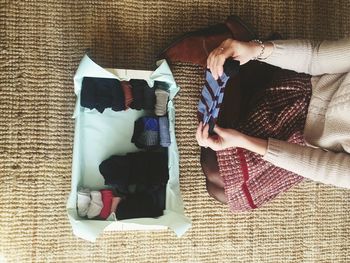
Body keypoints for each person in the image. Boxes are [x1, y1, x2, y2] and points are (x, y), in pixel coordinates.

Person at [196, 37, 350, 204]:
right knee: (215, 170)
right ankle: (230, 54)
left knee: (226, 191)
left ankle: (241, 70)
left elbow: (322, 168)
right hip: (306, 93)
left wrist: (243, 141)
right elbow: (315, 57)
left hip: (308, 145)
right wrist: (255, 49)